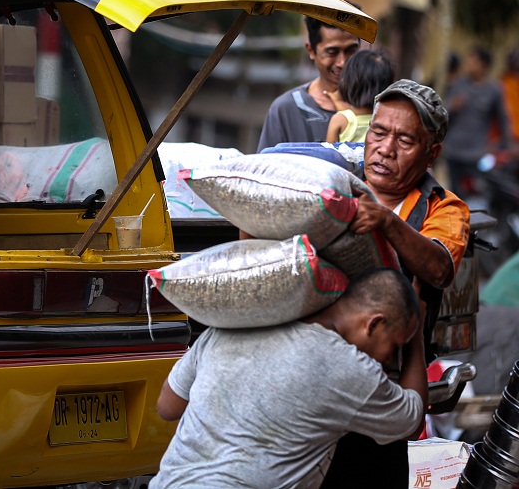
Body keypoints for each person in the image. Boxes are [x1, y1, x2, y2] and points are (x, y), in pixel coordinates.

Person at [320, 79, 471, 488]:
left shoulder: (444, 207)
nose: (385, 149)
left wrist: (387, 222)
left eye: (405, 140)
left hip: (384, 391)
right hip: (317, 380)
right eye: (379, 132)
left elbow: (439, 267)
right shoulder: (334, 180)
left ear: (431, 153)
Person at [150, 269, 427, 489]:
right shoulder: (350, 369)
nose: (388, 361)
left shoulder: (233, 324)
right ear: (374, 324)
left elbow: (168, 406)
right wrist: (417, 337)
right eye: (393, 347)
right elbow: (411, 422)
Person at [258, 16, 362, 151]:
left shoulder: (378, 105)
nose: (342, 62)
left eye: (351, 51)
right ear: (311, 51)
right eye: (332, 52)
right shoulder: (286, 109)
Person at [441, 46, 512, 199]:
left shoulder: (494, 90)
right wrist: (452, 106)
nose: (469, 64)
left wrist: (507, 146)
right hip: (453, 150)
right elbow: (442, 112)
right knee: (453, 193)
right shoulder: (458, 84)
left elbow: (503, 120)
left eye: (473, 61)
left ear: (483, 65)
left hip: (476, 153)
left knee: (474, 194)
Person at [325, 48, 396, 143]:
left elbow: (328, 156)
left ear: (349, 82)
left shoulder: (339, 120)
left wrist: (337, 101)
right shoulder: (388, 120)